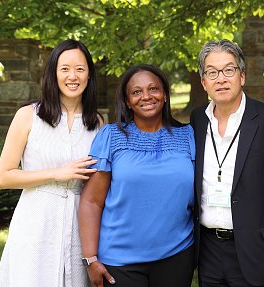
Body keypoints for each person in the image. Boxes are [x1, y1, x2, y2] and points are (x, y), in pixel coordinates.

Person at [190, 39, 264, 287]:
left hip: (258, 250)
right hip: (207, 252)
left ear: (242, 76)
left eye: (228, 70)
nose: (221, 78)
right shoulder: (197, 120)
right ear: (203, 82)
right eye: (212, 72)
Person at [0, 39, 102, 287]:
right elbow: (5, 176)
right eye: (64, 69)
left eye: (80, 69)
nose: (72, 76)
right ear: (53, 74)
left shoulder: (96, 122)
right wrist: (56, 173)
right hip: (36, 220)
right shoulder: (28, 116)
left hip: (79, 225)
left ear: (89, 75)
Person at [79, 64, 195, 287]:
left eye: (153, 89)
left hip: (177, 254)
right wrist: (90, 258)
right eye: (136, 92)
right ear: (126, 101)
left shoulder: (188, 136)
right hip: (120, 260)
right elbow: (92, 201)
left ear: (165, 94)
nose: (146, 96)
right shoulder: (111, 137)